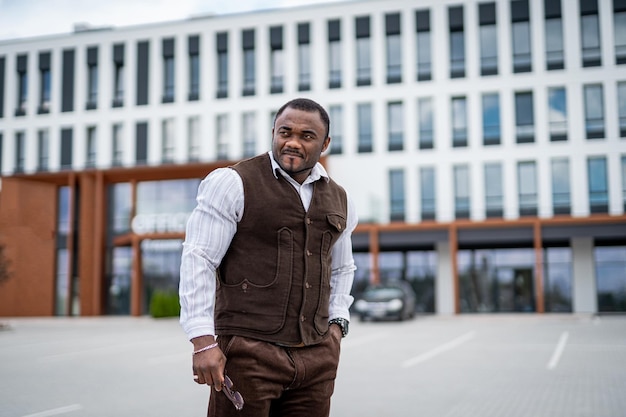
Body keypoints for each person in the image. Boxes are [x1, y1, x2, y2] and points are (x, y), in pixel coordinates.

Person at [179, 97, 358, 417]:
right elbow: (199, 258)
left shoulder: (340, 198)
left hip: (317, 357)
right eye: (285, 132)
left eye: (306, 136)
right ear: (273, 132)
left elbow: (343, 267)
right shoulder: (233, 182)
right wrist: (202, 341)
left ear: (325, 143)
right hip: (249, 354)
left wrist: (337, 325)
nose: (292, 142)